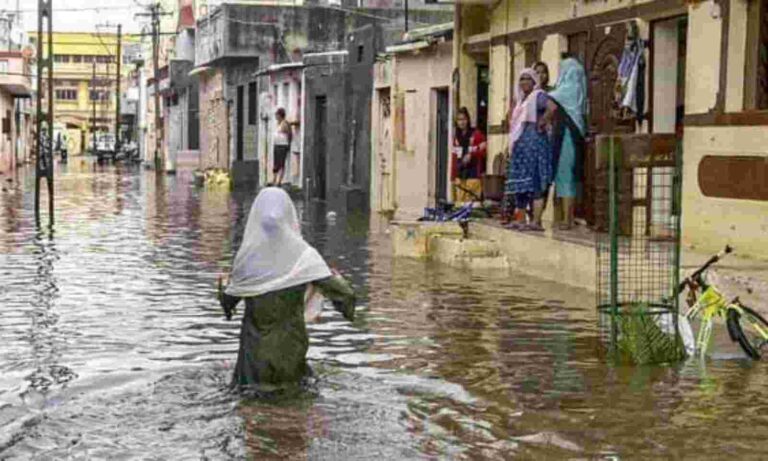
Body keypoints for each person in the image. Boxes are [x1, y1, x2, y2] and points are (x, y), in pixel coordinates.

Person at [218, 187, 356, 390]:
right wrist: (338, 283)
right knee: (293, 408)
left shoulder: (246, 259)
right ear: (289, 215)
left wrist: (221, 286)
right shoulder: (304, 258)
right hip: (290, 355)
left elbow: (228, 303)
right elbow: (345, 296)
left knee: (252, 410)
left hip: (253, 361)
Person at [504, 68, 555, 232]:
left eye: (528, 79)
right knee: (520, 186)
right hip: (520, 147)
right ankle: (520, 220)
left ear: (534, 82)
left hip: (534, 145)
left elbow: (552, 107)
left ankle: (536, 221)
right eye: (521, 79)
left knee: (535, 183)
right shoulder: (520, 101)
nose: (524, 82)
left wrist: (542, 122)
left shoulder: (537, 96)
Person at [547, 57, 587, 230]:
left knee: (564, 176)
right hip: (575, 134)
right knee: (570, 176)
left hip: (567, 137)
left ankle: (567, 219)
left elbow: (548, 101)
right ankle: (567, 217)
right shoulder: (579, 89)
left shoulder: (567, 89)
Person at [451, 107, 487, 203]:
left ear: (468, 120)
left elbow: (485, 150)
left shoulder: (476, 134)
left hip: (473, 175)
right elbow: (454, 158)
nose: (462, 122)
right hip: (460, 176)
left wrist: (472, 154)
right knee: (460, 205)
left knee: (472, 204)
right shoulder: (456, 138)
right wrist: (453, 176)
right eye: (459, 120)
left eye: (464, 119)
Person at [272, 108, 292, 186]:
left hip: (282, 145)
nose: (276, 116)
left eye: (277, 115)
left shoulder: (285, 123)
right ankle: (274, 179)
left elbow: (289, 134)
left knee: (281, 163)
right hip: (277, 145)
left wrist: (288, 144)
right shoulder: (278, 124)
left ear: (280, 115)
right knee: (276, 163)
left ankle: (279, 181)